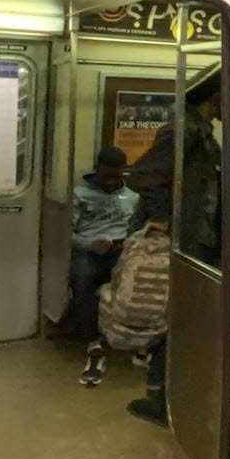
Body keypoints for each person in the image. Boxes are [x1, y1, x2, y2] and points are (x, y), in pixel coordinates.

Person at [120, 72, 223, 425]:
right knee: (175, 320)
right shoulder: (185, 131)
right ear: (215, 98)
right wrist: (164, 218)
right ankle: (162, 399)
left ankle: (175, 396)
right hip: (185, 241)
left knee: (185, 321)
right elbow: (142, 175)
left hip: (200, 239)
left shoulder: (203, 133)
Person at [61, 146, 140, 385]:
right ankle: (91, 339)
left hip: (120, 249)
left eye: (116, 177)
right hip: (89, 248)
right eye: (106, 176)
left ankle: (134, 338)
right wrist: (89, 244)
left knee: (139, 279)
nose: (111, 182)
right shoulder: (80, 194)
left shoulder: (132, 198)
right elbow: (65, 232)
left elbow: (135, 230)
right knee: (83, 276)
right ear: (97, 170)